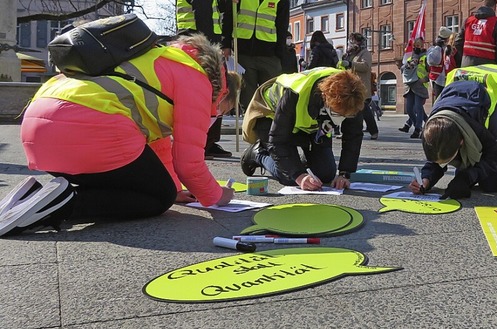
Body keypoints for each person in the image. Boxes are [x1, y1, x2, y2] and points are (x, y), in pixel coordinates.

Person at [0, 33, 241, 237]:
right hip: (87, 126)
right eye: (222, 109)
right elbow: (188, 162)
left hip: (38, 130)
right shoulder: (196, 78)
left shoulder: (156, 58)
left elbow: (156, 144)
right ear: (223, 92)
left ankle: (32, 196)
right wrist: (217, 196)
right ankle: (61, 205)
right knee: (158, 198)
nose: (217, 115)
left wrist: (176, 188)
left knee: (160, 188)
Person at [409, 64, 497, 199]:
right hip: (478, 122)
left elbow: (493, 157)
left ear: (461, 141)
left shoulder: (490, 119)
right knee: (468, 172)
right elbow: (437, 154)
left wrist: (466, 177)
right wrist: (426, 179)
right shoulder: (437, 122)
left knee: (492, 183)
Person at [240, 68, 365, 191]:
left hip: (308, 125)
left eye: (346, 116)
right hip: (271, 118)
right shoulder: (294, 93)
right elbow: (278, 141)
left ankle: (301, 163)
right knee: (289, 177)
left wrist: (344, 174)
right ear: (325, 99)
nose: (341, 120)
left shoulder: (353, 98)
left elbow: (353, 135)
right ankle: (258, 153)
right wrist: (299, 176)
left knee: (326, 173)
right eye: (337, 114)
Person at [176, 0, 233, 158]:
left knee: (218, 92)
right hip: (198, 44)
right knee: (210, 92)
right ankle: (202, 142)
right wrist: (208, 48)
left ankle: (209, 141)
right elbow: (203, 13)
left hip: (203, 42)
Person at [221, 0, 290, 115]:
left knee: (271, 94)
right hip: (244, 52)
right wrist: (226, 44)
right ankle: (250, 123)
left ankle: (268, 123)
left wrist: (280, 54)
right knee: (247, 96)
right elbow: (228, 17)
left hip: (269, 54)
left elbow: (282, 25)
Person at [339, 32, 378, 140]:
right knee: (349, 109)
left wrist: (351, 64)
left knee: (364, 110)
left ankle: (373, 131)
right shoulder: (350, 53)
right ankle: (347, 131)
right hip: (351, 86)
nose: (352, 43)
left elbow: (366, 66)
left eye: (354, 41)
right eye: (351, 41)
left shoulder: (365, 52)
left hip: (362, 86)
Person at [453, 0, 497, 68]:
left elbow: (458, 42)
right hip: (488, 65)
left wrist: (465, 56)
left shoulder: (468, 21)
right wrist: (496, 62)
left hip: (467, 65)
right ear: (494, 7)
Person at [399, 37, 429, 139]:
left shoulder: (426, 57)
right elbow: (402, 69)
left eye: (419, 45)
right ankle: (421, 125)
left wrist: (425, 79)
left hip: (420, 85)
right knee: (409, 109)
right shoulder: (410, 57)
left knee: (418, 108)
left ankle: (417, 129)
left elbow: (432, 70)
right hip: (410, 86)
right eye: (416, 46)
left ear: (423, 46)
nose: (417, 47)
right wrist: (408, 65)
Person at [427, 26, 453, 100]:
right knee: (439, 100)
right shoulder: (434, 49)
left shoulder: (449, 49)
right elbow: (432, 61)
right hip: (438, 80)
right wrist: (438, 47)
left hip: (448, 79)